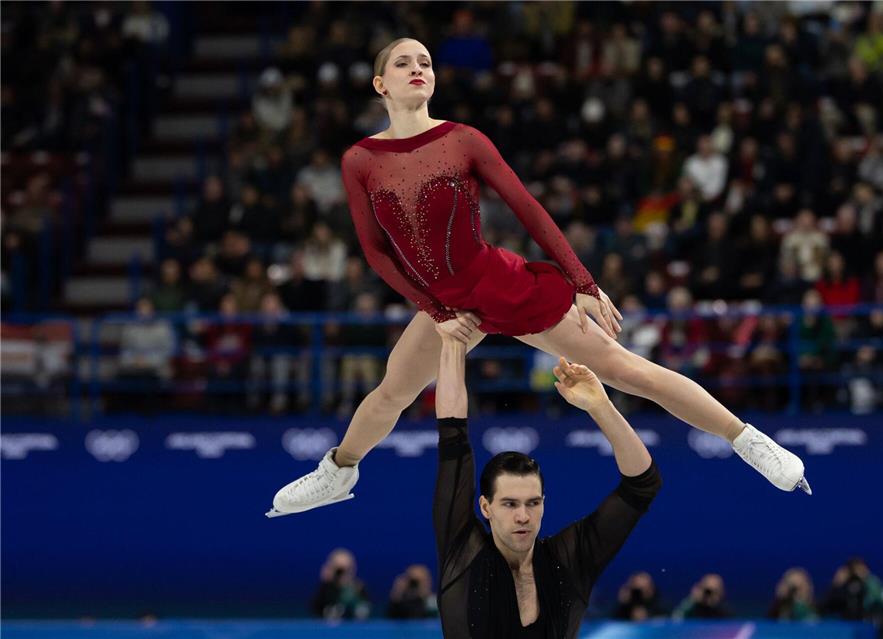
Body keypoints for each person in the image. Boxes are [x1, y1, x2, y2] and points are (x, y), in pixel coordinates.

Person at [266, 38, 809, 518]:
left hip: (498, 283)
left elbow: (527, 207)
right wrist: (437, 312)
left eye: (426, 62)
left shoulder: (463, 140)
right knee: (390, 393)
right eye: (403, 62)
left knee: (625, 370)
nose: (418, 69)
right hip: (446, 301)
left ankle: (749, 440)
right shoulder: (361, 159)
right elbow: (374, 250)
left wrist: (582, 281)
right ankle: (338, 472)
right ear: (379, 83)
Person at [431, 322, 662, 638]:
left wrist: (601, 406)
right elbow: (452, 432)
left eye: (532, 503)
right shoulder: (463, 554)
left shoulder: (569, 560)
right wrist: (452, 341)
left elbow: (643, 484)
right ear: (485, 507)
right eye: (510, 504)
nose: (523, 516)